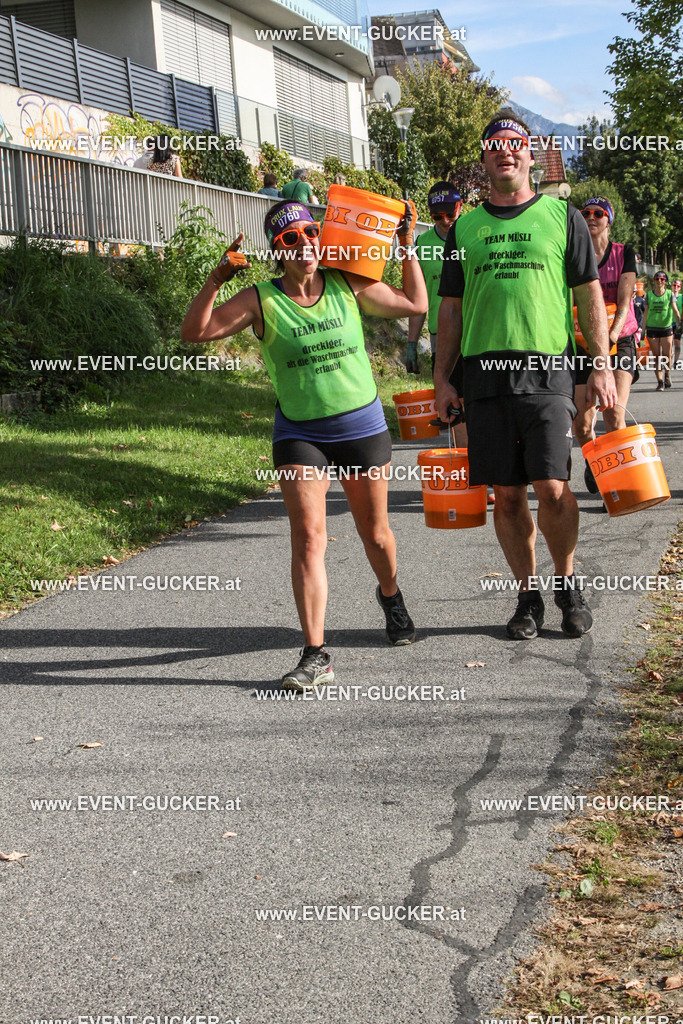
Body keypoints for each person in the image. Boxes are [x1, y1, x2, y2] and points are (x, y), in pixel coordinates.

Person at [181, 199, 427, 689]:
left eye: (311, 232)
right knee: (310, 538)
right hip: (300, 433)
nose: (305, 244)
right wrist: (215, 280)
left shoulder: (346, 282)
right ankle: (316, 653)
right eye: (290, 238)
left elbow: (415, 304)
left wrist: (405, 246)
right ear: (277, 248)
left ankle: (391, 595)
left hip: (361, 425)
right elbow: (194, 332)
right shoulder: (260, 299)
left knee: (375, 534)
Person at [434, 113, 617, 641]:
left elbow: (588, 298)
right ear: (485, 157)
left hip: (548, 372)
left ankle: (566, 584)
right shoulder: (465, 228)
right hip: (485, 378)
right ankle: (526, 597)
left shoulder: (564, 218)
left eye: (515, 144)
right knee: (508, 495)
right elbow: (450, 310)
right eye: (494, 145)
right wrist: (443, 379)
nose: (504, 153)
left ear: (530, 156)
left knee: (554, 487)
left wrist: (599, 365)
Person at [571, 197, 639, 498]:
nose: (591, 217)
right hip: (583, 343)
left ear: (608, 220)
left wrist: (609, 339)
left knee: (613, 414)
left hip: (619, 338)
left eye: (599, 213)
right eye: (585, 213)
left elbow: (625, 302)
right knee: (582, 423)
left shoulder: (624, 253)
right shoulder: (572, 256)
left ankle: (618, 484)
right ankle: (596, 461)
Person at [405, 181, 462, 377]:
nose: (445, 221)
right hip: (441, 337)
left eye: (450, 215)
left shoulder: (474, 235)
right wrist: (412, 343)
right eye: (438, 217)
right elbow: (418, 299)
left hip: (474, 333)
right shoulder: (423, 243)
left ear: (460, 206)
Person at [642, 271, 680, 390]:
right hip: (652, 328)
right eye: (657, 279)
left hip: (666, 328)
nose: (659, 281)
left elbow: (675, 310)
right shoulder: (649, 295)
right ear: (654, 281)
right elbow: (645, 313)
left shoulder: (669, 294)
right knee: (657, 356)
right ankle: (660, 381)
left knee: (666, 355)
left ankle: (667, 375)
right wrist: (642, 330)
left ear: (665, 281)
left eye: (662, 279)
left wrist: (679, 324)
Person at [672, 278, 682, 368]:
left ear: (680, 288)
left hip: (678, 323)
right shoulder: (668, 296)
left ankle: (676, 361)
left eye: (677, 286)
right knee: (668, 343)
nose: (675, 287)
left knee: (677, 342)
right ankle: (668, 359)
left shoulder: (681, 298)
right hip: (668, 322)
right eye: (674, 285)